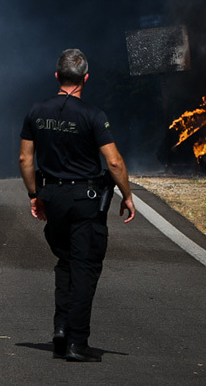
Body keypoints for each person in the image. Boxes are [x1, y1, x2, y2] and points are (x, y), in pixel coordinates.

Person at [18, 48, 137, 362]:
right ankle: (76, 342)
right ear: (86, 78)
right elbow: (113, 162)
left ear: (57, 77)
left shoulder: (36, 111)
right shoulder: (93, 115)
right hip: (85, 200)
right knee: (85, 267)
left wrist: (34, 194)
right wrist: (126, 195)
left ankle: (60, 329)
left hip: (52, 197)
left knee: (65, 262)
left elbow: (24, 159)